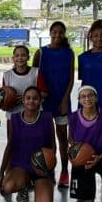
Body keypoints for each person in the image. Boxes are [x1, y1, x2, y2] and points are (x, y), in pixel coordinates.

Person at [0, 44, 46, 193]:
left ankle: (33, 176)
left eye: (23, 55)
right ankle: (10, 174)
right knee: (13, 146)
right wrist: (6, 103)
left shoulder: (36, 73)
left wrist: (25, 97)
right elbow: (3, 98)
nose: (20, 58)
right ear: (13, 58)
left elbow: (44, 93)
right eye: (17, 55)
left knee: (34, 146)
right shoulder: (7, 75)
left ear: (28, 57)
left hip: (34, 117)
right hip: (14, 116)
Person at [32, 21, 75, 188]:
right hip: (44, 102)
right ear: (50, 33)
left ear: (64, 34)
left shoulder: (69, 53)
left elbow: (71, 78)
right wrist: (37, 99)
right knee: (46, 138)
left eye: (60, 32)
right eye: (54, 32)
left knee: (63, 138)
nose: (57, 35)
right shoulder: (41, 53)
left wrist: (65, 99)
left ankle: (65, 171)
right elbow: (33, 77)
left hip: (62, 100)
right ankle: (48, 169)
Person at [1, 86, 56, 202]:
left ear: (40, 101)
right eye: (28, 98)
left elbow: (53, 146)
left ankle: (38, 185)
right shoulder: (14, 118)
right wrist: (1, 174)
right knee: (8, 187)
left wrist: (49, 168)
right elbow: (10, 146)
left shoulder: (47, 118)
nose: (31, 101)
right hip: (21, 166)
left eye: (35, 98)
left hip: (41, 168)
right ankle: (23, 187)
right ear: (23, 101)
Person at [68, 85, 102, 202]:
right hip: (84, 158)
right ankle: (86, 190)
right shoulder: (73, 117)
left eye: (90, 95)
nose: (87, 99)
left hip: (101, 154)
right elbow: (71, 139)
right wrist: (79, 154)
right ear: (79, 100)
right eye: (83, 96)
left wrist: (98, 157)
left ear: (96, 98)